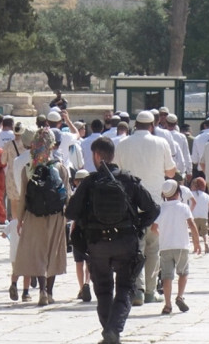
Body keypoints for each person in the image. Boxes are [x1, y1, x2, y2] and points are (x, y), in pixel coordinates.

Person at [66, 137, 159, 344]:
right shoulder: (128, 180)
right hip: (125, 240)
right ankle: (113, 330)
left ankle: (109, 330)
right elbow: (153, 209)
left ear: (97, 156)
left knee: (103, 289)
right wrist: (137, 226)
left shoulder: (89, 182)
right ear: (112, 155)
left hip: (97, 243)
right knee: (125, 287)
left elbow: (71, 212)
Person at [113, 110, 176, 305]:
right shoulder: (161, 142)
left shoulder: (123, 144)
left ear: (135, 125)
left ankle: (137, 290)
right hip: (155, 203)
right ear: (152, 126)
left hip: (130, 204)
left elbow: (117, 168)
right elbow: (171, 171)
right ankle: (150, 291)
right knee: (153, 249)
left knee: (135, 249)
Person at [14, 128, 70, 306]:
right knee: (53, 251)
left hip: (33, 215)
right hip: (56, 215)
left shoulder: (28, 169)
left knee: (38, 253)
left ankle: (42, 290)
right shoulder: (60, 167)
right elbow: (67, 195)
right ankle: (51, 292)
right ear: (52, 145)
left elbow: (23, 197)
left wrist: (20, 219)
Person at [151, 179, 201, 315]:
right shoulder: (183, 207)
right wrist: (196, 242)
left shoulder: (161, 208)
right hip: (181, 245)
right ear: (178, 192)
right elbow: (192, 224)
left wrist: (162, 235)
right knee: (183, 273)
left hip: (165, 247)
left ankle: (167, 305)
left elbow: (153, 228)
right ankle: (180, 296)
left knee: (167, 276)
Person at [70, 169, 92, 302]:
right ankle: (87, 284)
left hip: (77, 229)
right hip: (89, 230)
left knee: (78, 262)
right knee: (88, 261)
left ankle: (81, 288)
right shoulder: (92, 194)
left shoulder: (74, 195)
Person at [1, 122, 27, 221]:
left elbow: (3, 161)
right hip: (24, 173)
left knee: (13, 201)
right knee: (23, 199)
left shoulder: (8, 145)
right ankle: (23, 221)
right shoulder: (27, 144)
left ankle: (15, 222)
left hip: (11, 174)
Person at [190, 177, 209, 253]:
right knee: (205, 233)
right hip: (204, 217)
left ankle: (196, 248)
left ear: (194, 186)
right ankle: (206, 243)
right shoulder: (206, 195)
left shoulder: (191, 194)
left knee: (195, 233)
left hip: (193, 217)